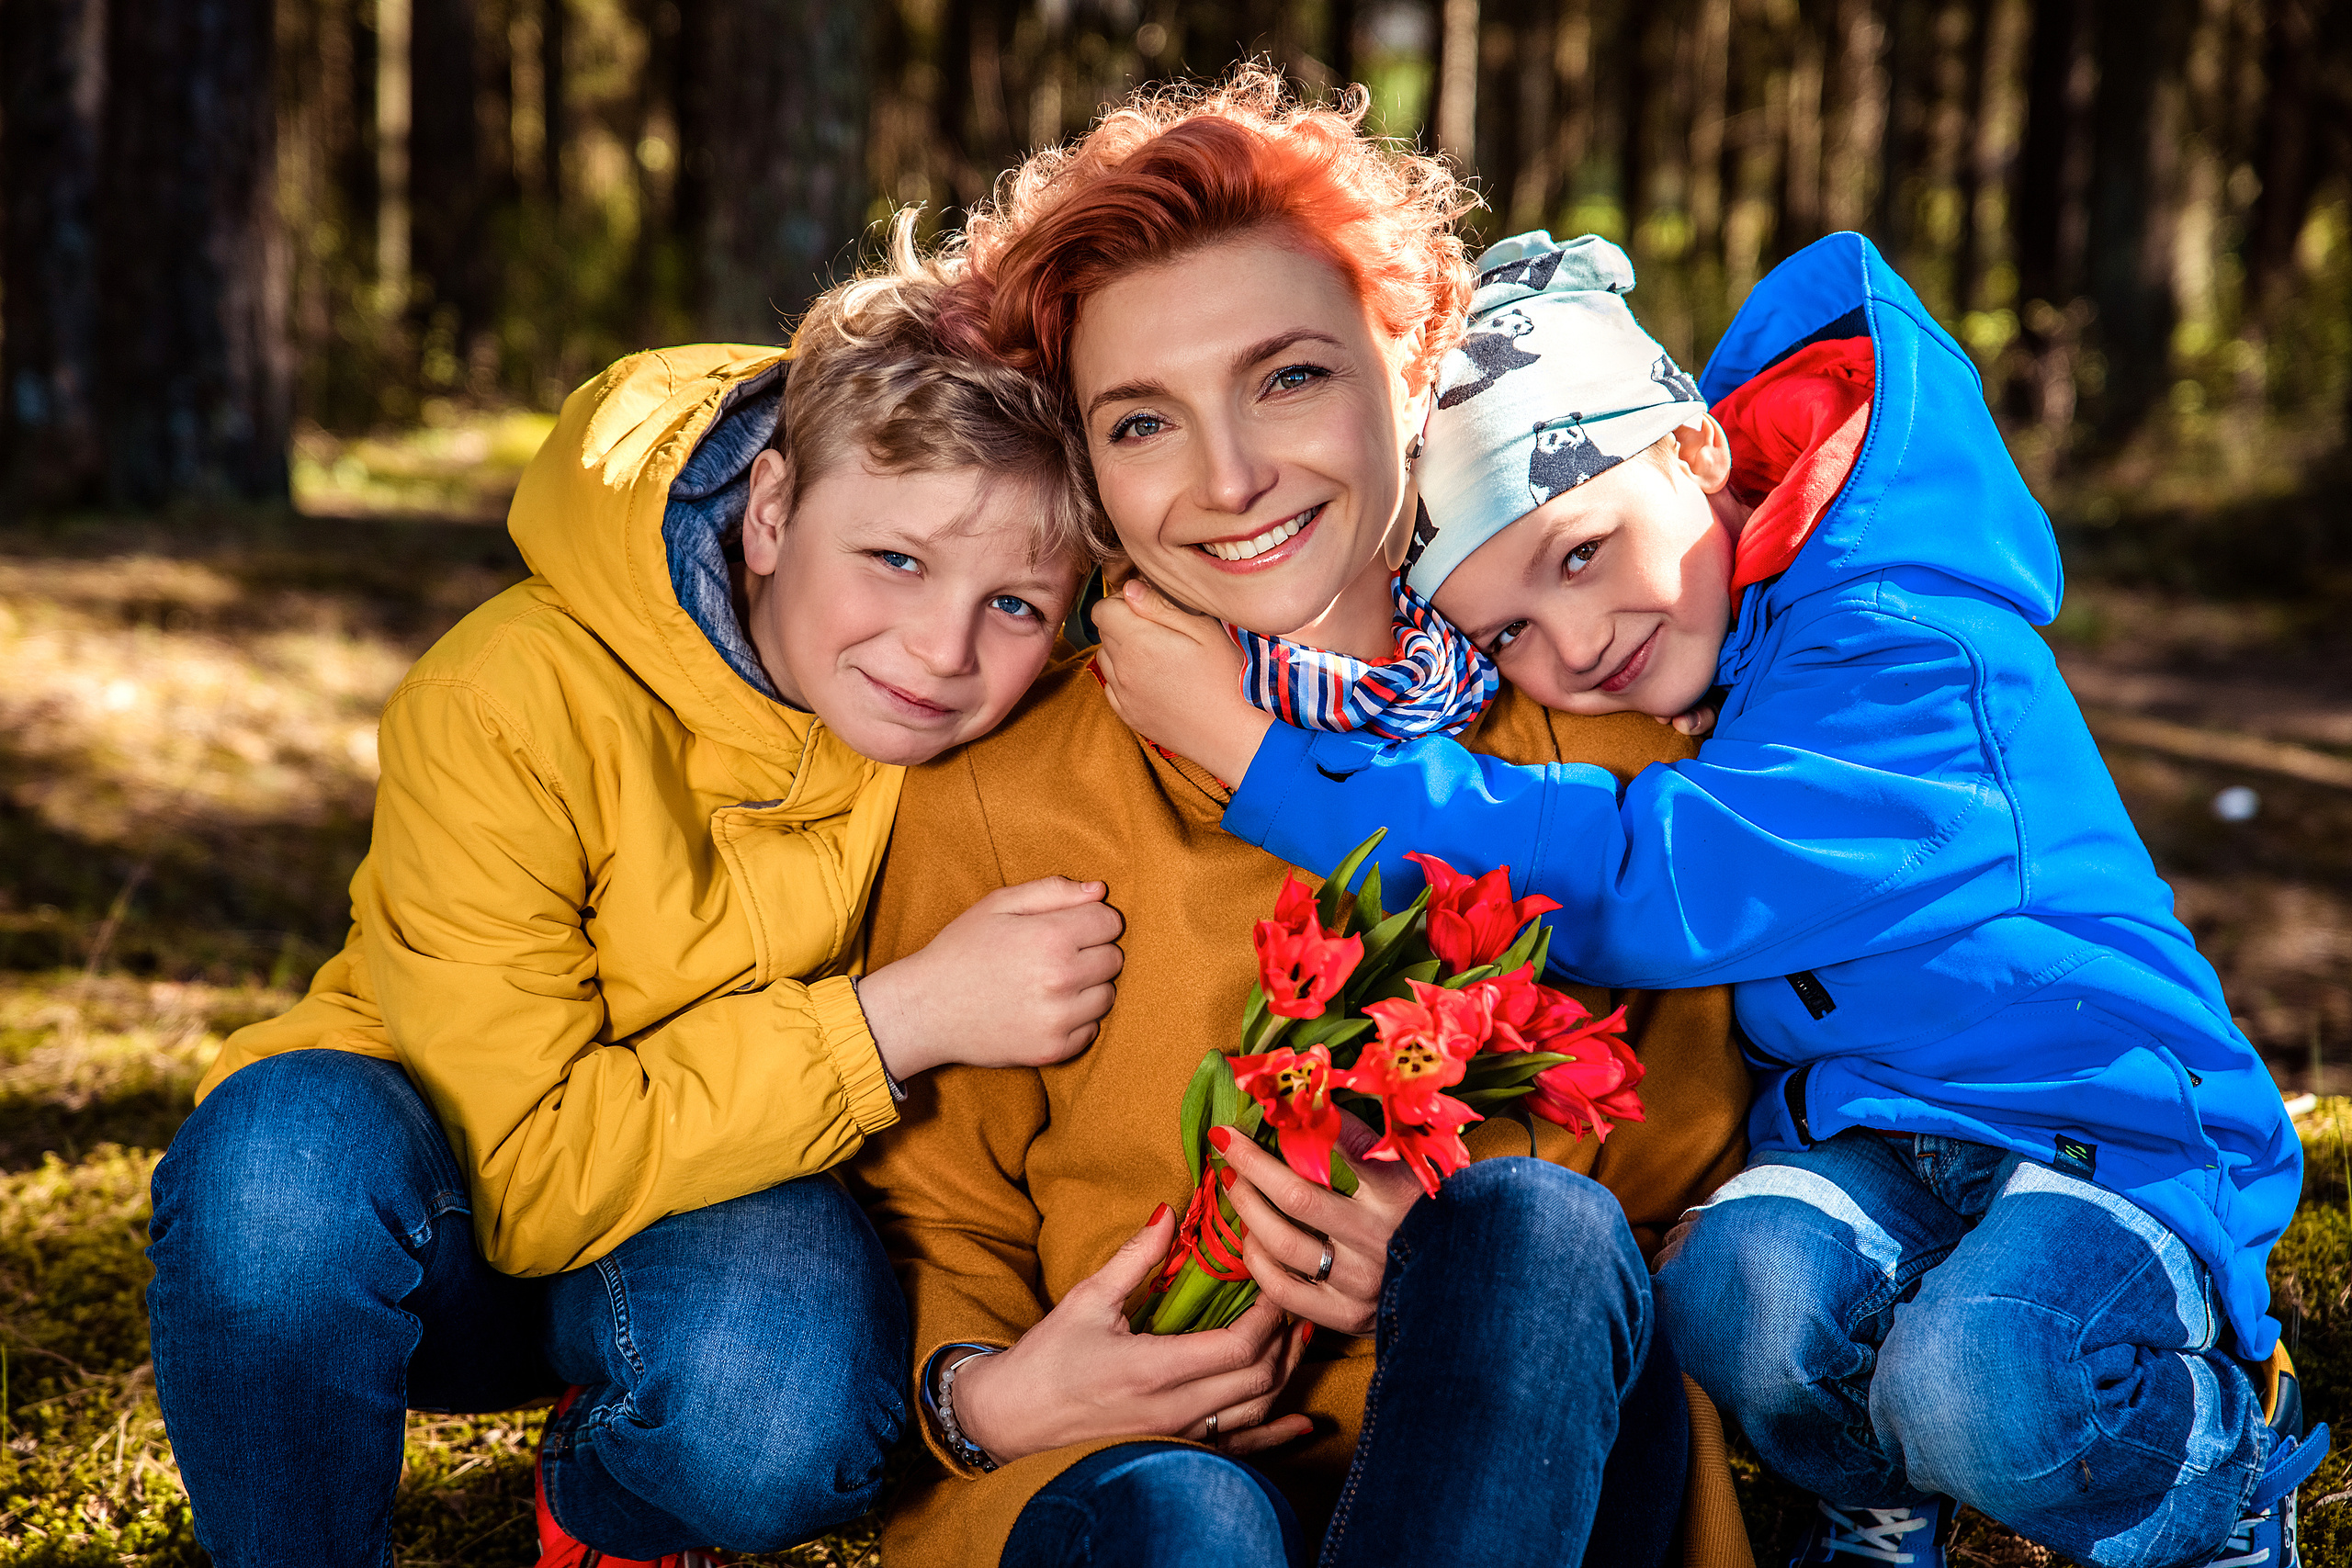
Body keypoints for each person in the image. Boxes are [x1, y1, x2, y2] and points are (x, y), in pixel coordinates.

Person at [1092, 227, 2324, 1566]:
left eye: (1579, 554)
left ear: (1691, 449)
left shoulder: (1901, 639)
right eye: (1506, 633)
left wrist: (1260, 759)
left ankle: (2220, 1476)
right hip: (1875, 1140)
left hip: (2103, 1127)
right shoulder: (1725, 639)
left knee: (1984, 1377)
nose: (1575, 645)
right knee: (1733, 1290)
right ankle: (1877, 1511)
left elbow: (1649, 875)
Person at [845, 71, 1758, 1568]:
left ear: (1407, 368)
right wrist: (985, 1395)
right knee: (1185, 1522)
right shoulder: (1004, 789)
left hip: (1543, 1465)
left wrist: (1441, 1257)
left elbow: (1699, 1189)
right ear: (1087, 469)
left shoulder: (1605, 746)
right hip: (1133, 1482)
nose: (1230, 478)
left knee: (1526, 1236)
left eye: (1288, 379)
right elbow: (927, 1220)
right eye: (1142, 422)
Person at [143, 225, 1122, 1568]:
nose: (943, 650)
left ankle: (605, 1500)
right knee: (276, 1164)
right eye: (894, 560)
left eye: (1016, 603)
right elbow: (532, 1177)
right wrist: (893, 1022)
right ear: (772, 511)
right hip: (443, 1190)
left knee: (784, 1422)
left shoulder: (983, 739)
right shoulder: (505, 696)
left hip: (721, 1190)